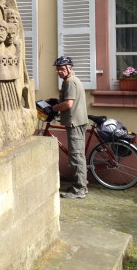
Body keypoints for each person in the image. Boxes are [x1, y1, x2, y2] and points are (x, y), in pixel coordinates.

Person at [51, 56, 89, 199]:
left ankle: (80, 189)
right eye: (58, 69)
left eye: (61, 69)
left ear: (69, 68)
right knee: (78, 155)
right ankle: (81, 184)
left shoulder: (70, 82)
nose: (59, 71)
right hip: (77, 121)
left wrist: (54, 108)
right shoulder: (72, 80)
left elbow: (68, 104)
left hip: (75, 122)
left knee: (76, 156)